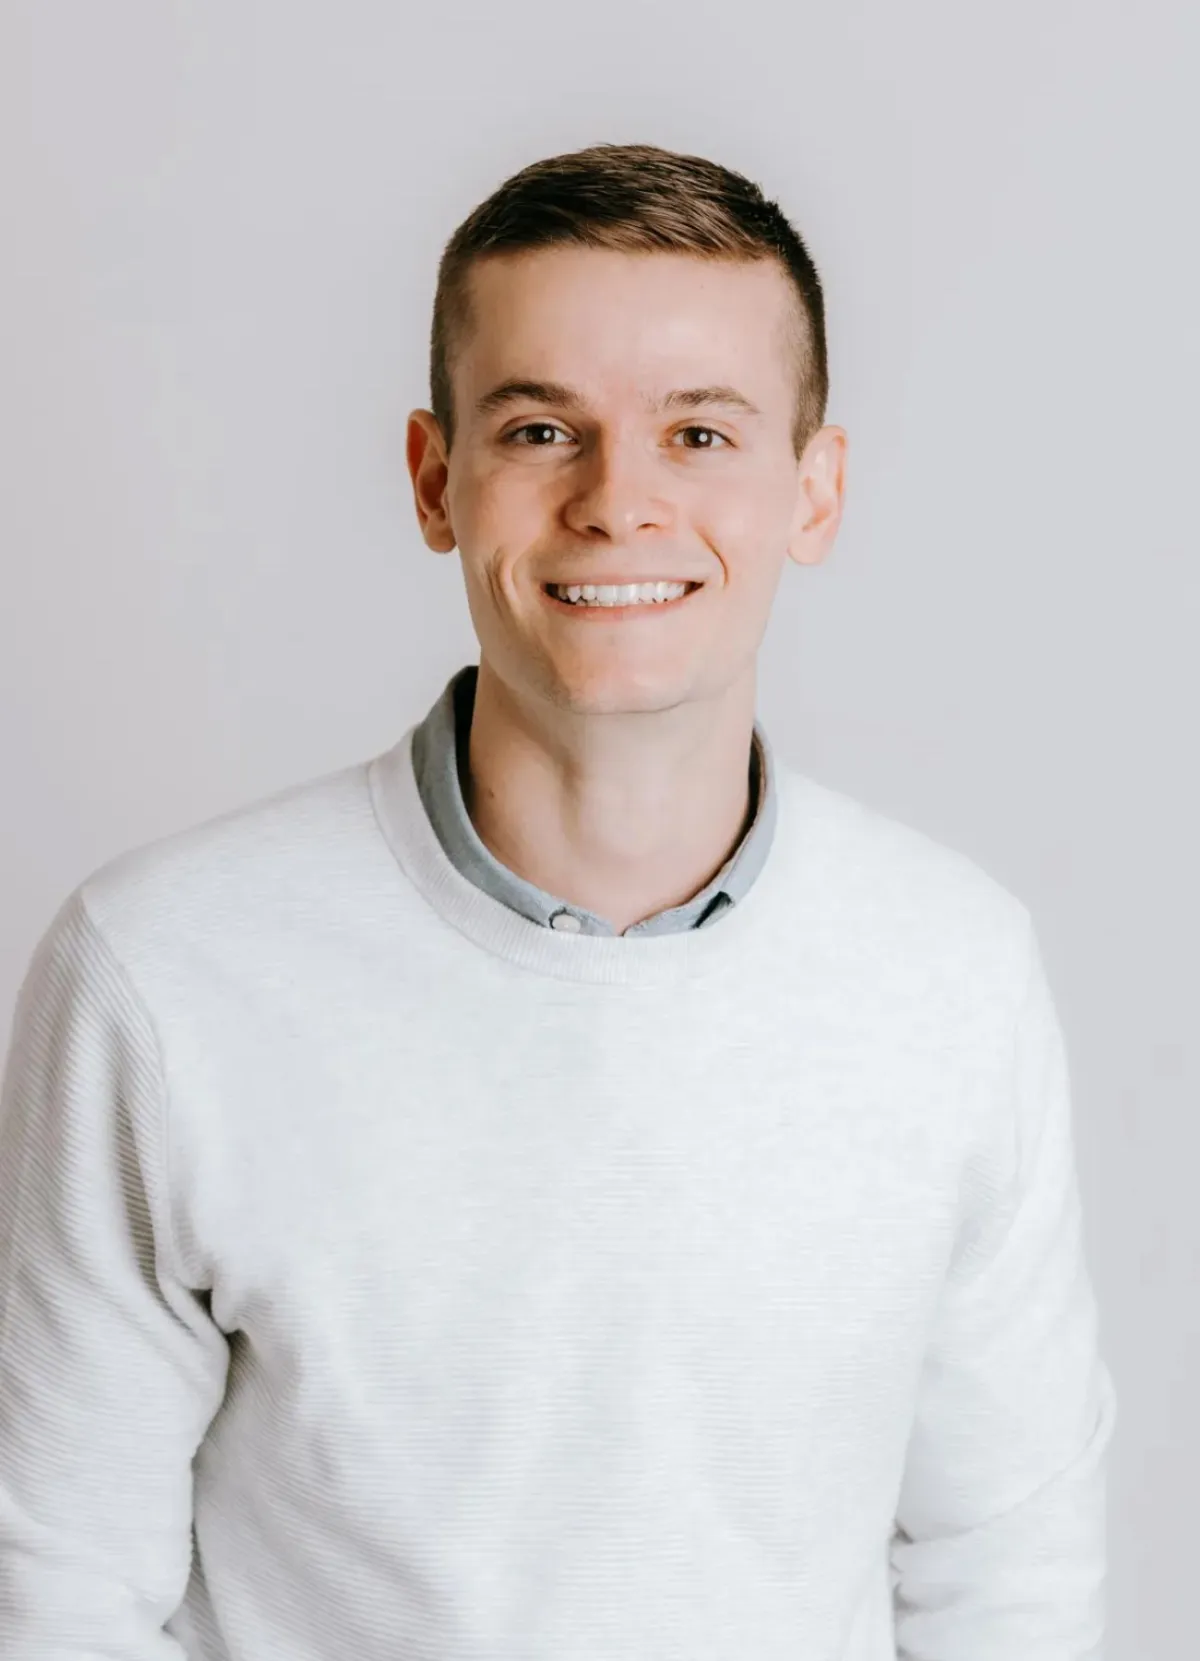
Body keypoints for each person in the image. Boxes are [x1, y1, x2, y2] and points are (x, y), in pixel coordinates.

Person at [0, 142, 1115, 1659]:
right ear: (434, 479)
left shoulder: (955, 970)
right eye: (542, 428)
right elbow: (53, 1590)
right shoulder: (162, 975)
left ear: (818, 488)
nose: (620, 501)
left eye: (702, 433)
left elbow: (1013, 1584)